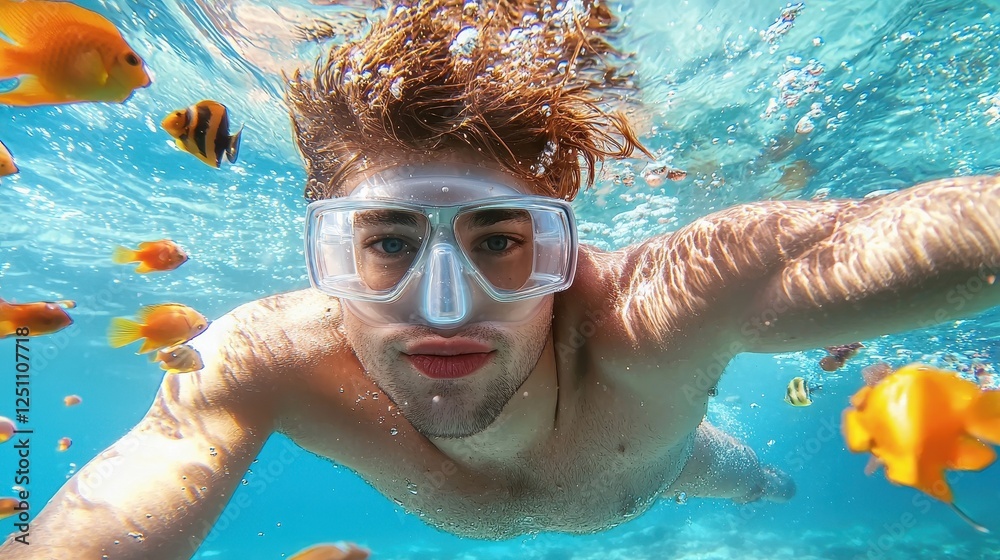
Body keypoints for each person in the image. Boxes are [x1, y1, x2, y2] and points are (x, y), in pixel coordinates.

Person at [4, 1, 1000, 558]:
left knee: (744, 475)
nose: (447, 306)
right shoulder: (259, 361)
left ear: (569, 245)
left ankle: (766, 479)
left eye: (500, 240)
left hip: (673, 456)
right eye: (387, 243)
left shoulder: (659, 309)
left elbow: (891, 239)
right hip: (623, 467)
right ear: (327, 253)